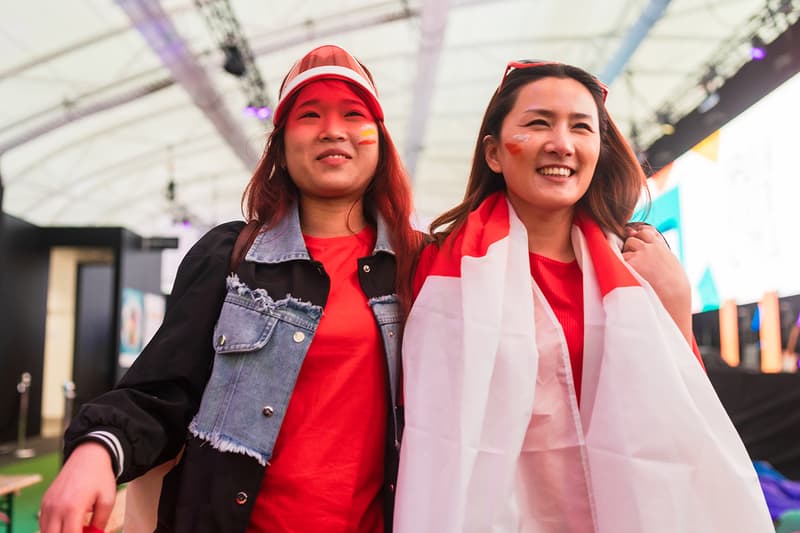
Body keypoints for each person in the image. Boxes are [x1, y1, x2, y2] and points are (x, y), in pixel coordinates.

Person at [39, 44, 420, 533]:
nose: (333, 129)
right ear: (281, 144)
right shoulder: (232, 256)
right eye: (309, 114)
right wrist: (97, 449)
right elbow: (164, 389)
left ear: (380, 141)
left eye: (354, 114)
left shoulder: (416, 264)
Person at [393, 60, 773, 532]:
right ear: (493, 152)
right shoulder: (438, 267)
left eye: (581, 127)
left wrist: (676, 303)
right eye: (538, 123)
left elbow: (685, 418)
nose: (562, 144)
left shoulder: (638, 264)